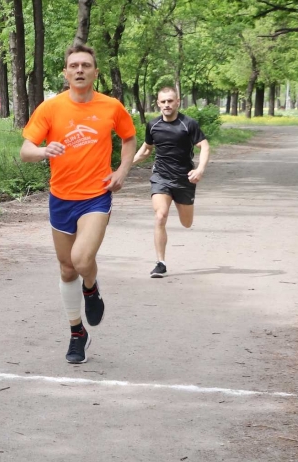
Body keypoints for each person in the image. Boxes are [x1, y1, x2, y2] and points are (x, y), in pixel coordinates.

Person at [20, 44, 137, 364]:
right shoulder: (50, 108)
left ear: (95, 72)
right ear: (66, 73)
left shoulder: (111, 106)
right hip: (61, 198)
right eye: (74, 65)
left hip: (96, 195)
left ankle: (91, 287)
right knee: (66, 267)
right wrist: (43, 151)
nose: (80, 70)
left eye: (86, 65)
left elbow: (128, 137)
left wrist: (122, 171)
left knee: (82, 259)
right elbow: (26, 150)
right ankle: (77, 333)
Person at [132, 87, 210, 278]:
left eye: (170, 101)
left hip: (184, 179)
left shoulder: (188, 124)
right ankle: (161, 263)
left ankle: (183, 206)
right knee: (160, 216)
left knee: (186, 223)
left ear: (177, 102)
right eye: (163, 101)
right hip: (161, 176)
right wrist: (123, 166)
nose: (166, 105)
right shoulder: (153, 125)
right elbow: (146, 150)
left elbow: (204, 146)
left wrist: (200, 169)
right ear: (158, 103)